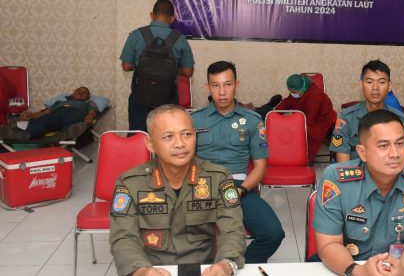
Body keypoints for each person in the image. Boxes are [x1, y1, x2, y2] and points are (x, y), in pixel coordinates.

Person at [109, 104, 245, 276]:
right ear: (150, 144)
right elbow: (123, 237)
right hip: (153, 270)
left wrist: (227, 263)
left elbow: (232, 229)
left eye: (187, 134)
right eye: (168, 137)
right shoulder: (130, 183)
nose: (180, 144)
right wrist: (140, 271)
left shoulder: (218, 177)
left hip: (205, 270)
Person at [314, 109, 404, 276]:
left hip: (402, 265)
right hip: (348, 266)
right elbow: (329, 244)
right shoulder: (336, 178)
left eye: (400, 144)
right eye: (383, 146)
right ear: (362, 152)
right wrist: (359, 272)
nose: (395, 154)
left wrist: (402, 271)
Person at [191, 61, 284, 263]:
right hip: (201, 187)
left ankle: (236, 265)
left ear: (236, 85)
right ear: (208, 87)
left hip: (238, 187)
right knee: (186, 238)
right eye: (215, 85)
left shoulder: (252, 120)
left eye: (227, 84)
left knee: (273, 234)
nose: (222, 92)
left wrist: (240, 191)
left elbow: (260, 167)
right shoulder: (194, 120)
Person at [120, 0, 195, 132]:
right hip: (168, 98)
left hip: (140, 97)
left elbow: (126, 67)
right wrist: (174, 69)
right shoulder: (180, 39)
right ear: (172, 19)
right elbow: (188, 72)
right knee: (168, 136)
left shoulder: (136, 35)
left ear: (151, 15)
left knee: (139, 136)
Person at [330, 60, 404, 162]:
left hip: (389, 170)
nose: (375, 88)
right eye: (369, 82)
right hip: (356, 171)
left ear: (389, 86)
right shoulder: (346, 117)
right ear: (361, 84)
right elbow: (343, 164)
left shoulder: (401, 119)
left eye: (382, 82)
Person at [275, 74, 336, 163]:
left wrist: (294, 123)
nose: (293, 94)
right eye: (291, 92)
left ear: (302, 89)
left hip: (320, 120)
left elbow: (311, 117)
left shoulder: (315, 95)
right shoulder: (298, 90)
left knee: (302, 131)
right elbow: (288, 102)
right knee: (287, 127)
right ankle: (288, 155)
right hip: (305, 117)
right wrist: (274, 114)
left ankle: (303, 159)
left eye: (294, 92)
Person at [0, 86, 96, 140]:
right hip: (57, 114)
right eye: (78, 90)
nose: (80, 92)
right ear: (73, 92)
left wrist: (88, 119)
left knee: (69, 120)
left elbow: (92, 112)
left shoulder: (88, 103)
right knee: (46, 119)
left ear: (87, 98)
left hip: (76, 113)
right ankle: (22, 133)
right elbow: (44, 113)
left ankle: (67, 132)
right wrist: (30, 115)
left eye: (84, 92)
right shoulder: (59, 102)